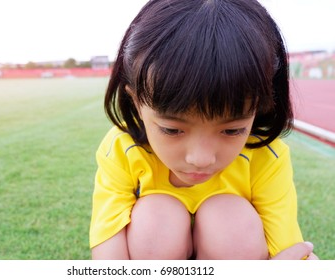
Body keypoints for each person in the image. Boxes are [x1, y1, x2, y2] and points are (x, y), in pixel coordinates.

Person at [89, 0, 318, 260]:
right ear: (136, 102)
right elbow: (108, 257)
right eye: (172, 130)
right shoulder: (122, 148)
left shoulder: (267, 156)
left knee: (229, 219)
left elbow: (288, 254)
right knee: (155, 218)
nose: (200, 158)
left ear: (261, 105)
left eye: (232, 130)